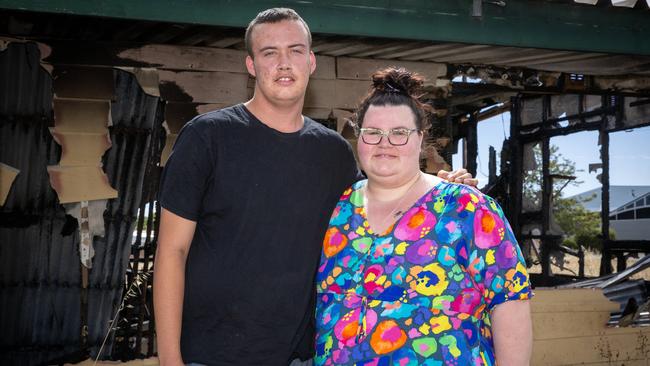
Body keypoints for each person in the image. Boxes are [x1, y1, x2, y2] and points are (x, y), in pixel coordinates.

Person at [153, 8, 477, 366]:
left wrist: (440, 187)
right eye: (269, 52)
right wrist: (170, 360)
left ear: (310, 62)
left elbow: (384, 204)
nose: (283, 63)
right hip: (210, 354)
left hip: (302, 356)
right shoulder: (207, 137)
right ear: (251, 65)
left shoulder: (334, 153)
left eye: (294, 51)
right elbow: (171, 253)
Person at [314, 67, 533, 365]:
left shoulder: (466, 208)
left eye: (399, 133)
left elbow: (510, 305)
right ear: (359, 137)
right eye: (372, 132)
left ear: (420, 139)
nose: (384, 142)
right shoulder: (340, 207)